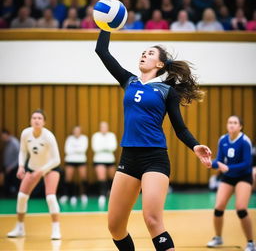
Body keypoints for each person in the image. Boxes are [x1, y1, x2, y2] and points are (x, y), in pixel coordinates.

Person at [95, 29, 212, 251]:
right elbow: (101, 50)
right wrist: (106, 25)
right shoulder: (129, 81)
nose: (144, 55)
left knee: (152, 220)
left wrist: (195, 145)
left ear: (160, 64)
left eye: (150, 53)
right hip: (128, 157)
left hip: (154, 158)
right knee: (115, 226)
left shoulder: (167, 91)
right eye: (143, 52)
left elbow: (180, 128)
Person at [7, 109, 61, 240]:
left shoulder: (49, 136)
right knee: (21, 196)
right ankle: (19, 228)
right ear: (31, 120)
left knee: (50, 197)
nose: (36, 120)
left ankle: (56, 230)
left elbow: (57, 160)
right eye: (34, 118)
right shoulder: (26, 133)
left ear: (44, 122)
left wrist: (41, 171)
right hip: (32, 168)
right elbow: (23, 151)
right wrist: (21, 166)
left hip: (50, 168)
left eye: (39, 118)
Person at [207, 115, 256, 251]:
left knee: (241, 209)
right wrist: (211, 163)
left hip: (243, 177)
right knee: (218, 208)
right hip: (228, 177)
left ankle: (251, 243)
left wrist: (229, 168)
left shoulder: (245, 141)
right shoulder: (223, 140)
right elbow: (220, 160)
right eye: (229, 122)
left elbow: (247, 163)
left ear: (240, 126)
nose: (232, 125)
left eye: (235, 123)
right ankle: (218, 238)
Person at [60, 126, 88, 205]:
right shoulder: (69, 138)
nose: (76, 132)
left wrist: (74, 149)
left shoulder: (84, 138)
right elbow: (67, 150)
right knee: (68, 179)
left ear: (80, 131)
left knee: (83, 178)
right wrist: (78, 149)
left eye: (78, 131)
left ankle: (83, 195)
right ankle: (66, 195)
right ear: (73, 131)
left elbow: (83, 149)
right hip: (70, 160)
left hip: (81, 160)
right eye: (75, 131)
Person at [92, 121, 117, 206]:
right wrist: (107, 147)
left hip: (110, 160)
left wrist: (102, 147)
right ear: (100, 127)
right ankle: (102, 195)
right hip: (99, 160)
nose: (104, 128)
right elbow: (95, 148)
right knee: (101, 178)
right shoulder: (96, 136)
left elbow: (113, 147)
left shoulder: (112, 135)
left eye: (105, 127)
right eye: (102, 127)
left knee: (112, 177)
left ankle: (111, 194)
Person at [1, 129, 20, 197]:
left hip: (14, 167)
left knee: (15, 182)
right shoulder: (7, 143)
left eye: (4, 137)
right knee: (7, 182)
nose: (3, 138)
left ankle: (14, 196)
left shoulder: (14, 143)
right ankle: (8, 195)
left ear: (8, 135)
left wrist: (11, 167)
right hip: (8, 167)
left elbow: (18, 156)